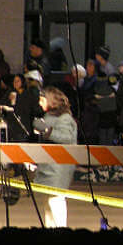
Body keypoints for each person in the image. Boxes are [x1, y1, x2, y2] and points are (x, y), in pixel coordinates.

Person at [34, 86, 78, 227]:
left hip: (58, 168)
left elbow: (66, 138)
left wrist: (46, 131)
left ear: (51, 101)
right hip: (48, 166)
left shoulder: (65, 118)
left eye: (42, 100)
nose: (40, 103)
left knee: (55, 201)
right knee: (47, 203)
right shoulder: (49, 117)